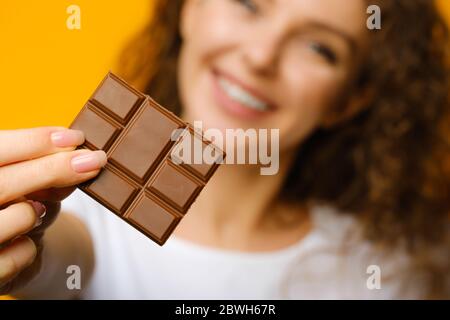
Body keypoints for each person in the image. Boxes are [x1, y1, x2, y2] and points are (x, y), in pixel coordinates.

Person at [0, 0, 449, 299]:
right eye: (248, 3)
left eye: (319, 47)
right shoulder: (78, 218)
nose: (260, 56)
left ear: (348, 100)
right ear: (189, 9)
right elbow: (58, 253)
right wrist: (27, 245)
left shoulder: (392, 269)